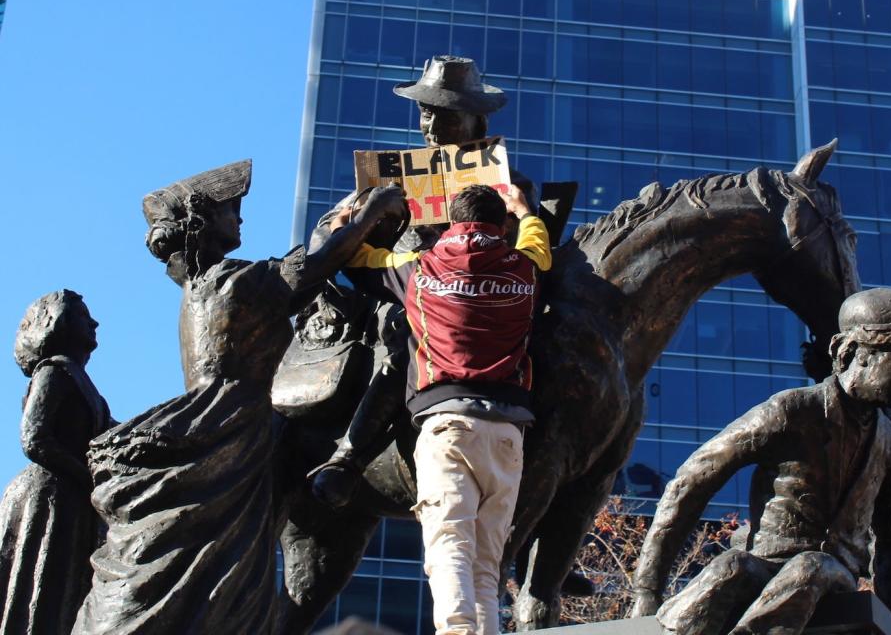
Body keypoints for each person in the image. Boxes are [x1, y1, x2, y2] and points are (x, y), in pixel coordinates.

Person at [71, 161, 405, 635]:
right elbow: (315, 264)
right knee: (224, 554)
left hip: (228, 420)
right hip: (234, 425)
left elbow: (306, 261)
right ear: (202, 225)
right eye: (231, 210)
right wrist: (373, 209)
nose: (240, 218)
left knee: (223, 554)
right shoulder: (232, 282)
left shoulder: (206, 286)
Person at [633, 287, 891, 635]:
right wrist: (648, 590)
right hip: (764, 562)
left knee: (811, 566)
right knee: (730, 567)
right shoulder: (791, 412)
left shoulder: (890, 443)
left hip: (832, 576)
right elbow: (692, 482)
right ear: (859, 353)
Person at [337, 181, 550, 635]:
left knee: (449, 544)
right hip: (509, 435)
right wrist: (526, 212)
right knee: (486, 564)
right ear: (502, 222)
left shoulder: (419, 268)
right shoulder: (526, 268)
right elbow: (539, 246)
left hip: (447, 427)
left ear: (454, 221)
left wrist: (348, 225)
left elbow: (358, 261)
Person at [310, 55, 509, 509]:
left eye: (445, 113)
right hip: (402, 291)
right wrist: (367, 214)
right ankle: (349, 457)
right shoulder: (390, 177)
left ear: (476, 118)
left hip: (483, 297)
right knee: (410, 334)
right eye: (426, 111)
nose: (431, 123)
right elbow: (324, 236)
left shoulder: (510, 182)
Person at [0, 290, 112, 634]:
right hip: (45, 496)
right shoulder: (53, 372)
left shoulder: (82, 382)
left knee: (65, 589)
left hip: (70, 498)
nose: (93, 322)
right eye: (82, 314)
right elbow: (34, 439)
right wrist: (88, 480)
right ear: (56, 321)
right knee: (41, 586)